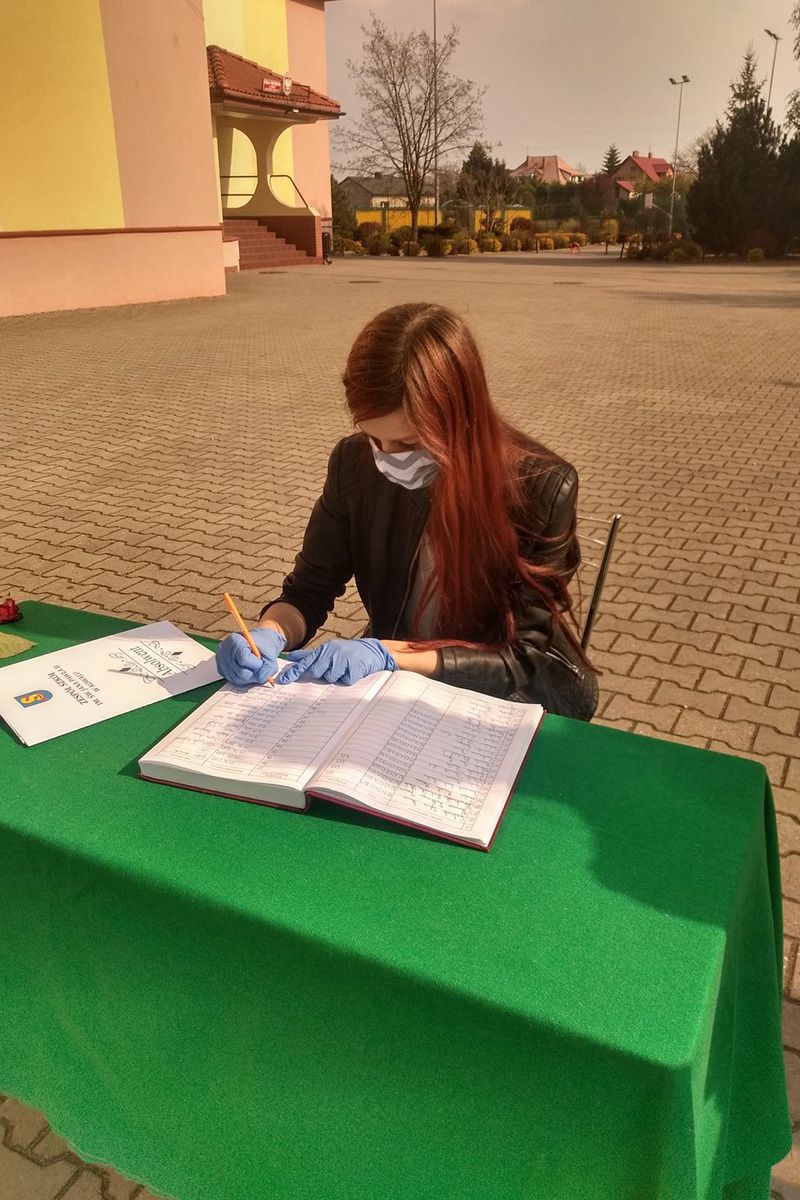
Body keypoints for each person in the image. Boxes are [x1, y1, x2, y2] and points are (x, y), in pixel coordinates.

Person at [216, 303, 598, 720]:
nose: (387, 457)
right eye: (373, 437)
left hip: (514, 692)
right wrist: (269, 634)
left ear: (461, 417)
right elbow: (309, 590)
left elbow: (520, 655)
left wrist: (389, 654)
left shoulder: (540, 487)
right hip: (401, 670)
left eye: (409, 443)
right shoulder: (353, 464)